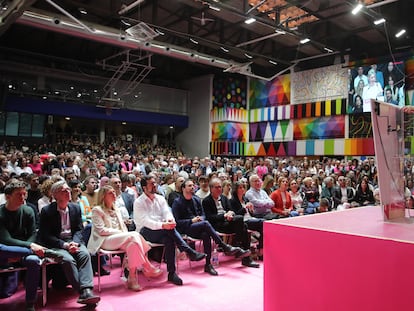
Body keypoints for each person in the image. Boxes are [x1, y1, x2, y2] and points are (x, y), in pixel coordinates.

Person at [0, 180, 63, 311]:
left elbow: (32, 235)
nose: (23, 197)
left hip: (24, 251)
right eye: (19, 194)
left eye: (25, 194)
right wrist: (30, 247)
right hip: (5, 253)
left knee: (34, 261)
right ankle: (44, 253)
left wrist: (24, 249)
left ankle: (30, 303)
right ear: (7, 196)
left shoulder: (28, 210)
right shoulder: (1, 214)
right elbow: (6, 239)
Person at [134, 175, 207, 286]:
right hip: (145, 232)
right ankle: (188, 251)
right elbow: (145, 222)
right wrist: (163, 225)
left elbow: (168, 213)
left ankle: (171, 273)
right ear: (144, 187)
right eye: (151, 184)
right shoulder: (139, 202)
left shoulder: (160, 198)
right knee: (168, 231)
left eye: (155, 183)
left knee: (169, 238)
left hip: (163, 230)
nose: (154, 185)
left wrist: (169, 221)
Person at [38, 180, 100, 306]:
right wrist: (65, 245)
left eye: (68, 189)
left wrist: (75, 243)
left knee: (84, 254)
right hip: (57, 244)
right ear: (55, 195)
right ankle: (83, 292)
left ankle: (87, 290)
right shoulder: (46, 211)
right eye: (64, 190)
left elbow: (78, 230)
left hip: (73, 241)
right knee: (67, 259)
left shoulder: (75, 208)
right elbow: (46, 236)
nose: (68, 192)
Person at [88, 185, 162, 291]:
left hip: (119, 239)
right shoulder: (97, 210)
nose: (114, 194)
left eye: (114, 192)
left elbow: (123, 228)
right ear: (103, 196)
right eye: (110, 193)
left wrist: (124, 234)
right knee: (134, 235)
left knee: (132, 244)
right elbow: (101, 231)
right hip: (104, 240)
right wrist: (122, 233)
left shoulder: (116, 209)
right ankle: (147, 265)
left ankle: (132, 279)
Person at [171, 179, 242, 276]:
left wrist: (200, 218)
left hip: (199, 225)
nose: (192, 187)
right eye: (189, 186)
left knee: (206, 233)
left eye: (193, 185)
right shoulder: (177, 202)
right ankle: (222, 245)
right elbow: (177, 222)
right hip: (186, 228)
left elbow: (203, 214)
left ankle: (208, 264)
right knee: (206, 224)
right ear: (183, 188)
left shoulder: (196, 199)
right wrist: (192, 221)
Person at [202, 177, 258, 268]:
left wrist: (230, 213)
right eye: (216, 187)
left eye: (220, 187)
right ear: (211, 188)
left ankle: (241, 250)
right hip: (217, 225)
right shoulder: (206, 201)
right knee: (241, 222)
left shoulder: (224, 198)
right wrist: (224, 216)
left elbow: (231, 210)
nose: (219, 189)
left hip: (229, 222)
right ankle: (242, 252)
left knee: (244, 224)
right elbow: (210, 218)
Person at [229, 181, 264, 260]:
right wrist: (245, 208)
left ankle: (261, 248)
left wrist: (251, 210)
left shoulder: (245, 199)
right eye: (240, 188)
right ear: (236, 190)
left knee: (265, 225)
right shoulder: (232, 201)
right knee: (263, 223)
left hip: (250, 219)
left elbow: (252, 214)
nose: (242, 189)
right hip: (243, 221)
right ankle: (259, 250)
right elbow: (235, 214)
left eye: (243, 187)